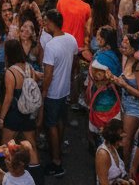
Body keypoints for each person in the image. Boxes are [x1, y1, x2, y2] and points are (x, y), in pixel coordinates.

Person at [41, 10, 78, 178]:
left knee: (51, 125)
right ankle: (58, 149)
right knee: (60, 122)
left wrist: (44, 92)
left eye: (45, 22)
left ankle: (56, 161)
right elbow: (75, 61)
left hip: (53, 93)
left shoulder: (51, 46)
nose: (44, 25)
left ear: (51, 23)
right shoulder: (71, 39)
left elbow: (48, 74)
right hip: (65, 90)